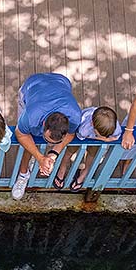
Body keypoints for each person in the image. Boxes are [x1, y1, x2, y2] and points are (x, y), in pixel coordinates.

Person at [11, 72, 82, 200]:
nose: (49, 143)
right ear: (43, 125)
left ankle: (33, 159)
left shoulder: (75, 115)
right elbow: (20, 134)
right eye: (47, 139)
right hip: (32, 84)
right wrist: (39, 157)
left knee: (33, 143)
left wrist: (53, 154)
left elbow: (71, 134)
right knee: (28, 133)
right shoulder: (31, 116)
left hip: (61, 81)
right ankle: (23, 174)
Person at [55, 105, 121, 191]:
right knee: (69, 152)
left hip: (93, 137)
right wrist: (104, 139)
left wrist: (103, 138)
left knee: (92, 154)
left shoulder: (115, 128)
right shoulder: (84, 128)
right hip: (78, 135)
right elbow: (81, 136)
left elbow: (117, 136)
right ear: (92, 124)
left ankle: (84, 172)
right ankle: (62, 168)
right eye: (98, 134)